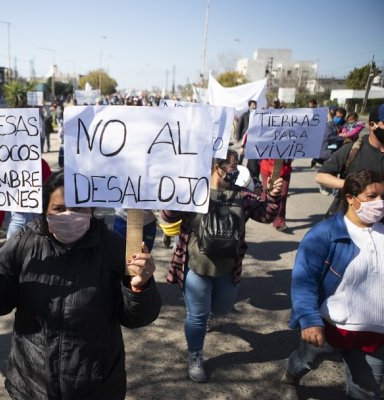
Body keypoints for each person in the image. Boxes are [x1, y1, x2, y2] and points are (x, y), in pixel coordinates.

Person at [0, 171, 161, 399]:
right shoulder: (22, 244)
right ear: (45, 210)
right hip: (31, 386)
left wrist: (138, 287)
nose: (69, 214)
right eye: (59, 208)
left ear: (92, 210)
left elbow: (136, 318)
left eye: (78, 208)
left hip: (96, 387)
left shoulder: (114, 249)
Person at [161, 149, 283, 383]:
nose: (235, 171)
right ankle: (195, 354)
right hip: (196, 266)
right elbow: (167, 216)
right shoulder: (195, 192)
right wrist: (178, 191)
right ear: (215, 166)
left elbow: (266, 215)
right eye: (231, 166)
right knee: (197, 315)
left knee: (222, 308)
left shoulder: (243, 196)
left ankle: (206, 317)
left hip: (228, 268)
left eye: (236, 166)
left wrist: (272, 196)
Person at [280, 169, 384, 400]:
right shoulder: (325, 234)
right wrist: (308, 320)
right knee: (307, 361)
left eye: (383, 197)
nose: (380, 203)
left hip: (376, 335)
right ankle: (291, 374)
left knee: (368, 393)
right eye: (372, 196)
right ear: (350, 197)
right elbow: (304, 278)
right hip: (330, 329)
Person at [316, 104, 384, 216]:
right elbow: (321, 176)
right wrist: (351, 185)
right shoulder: (353, 149)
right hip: (348, 219)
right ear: (372, 125)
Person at [0, 158, 52, 239]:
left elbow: (50, 188)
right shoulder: (8, 164)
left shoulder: (40, 162)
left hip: (35, 217)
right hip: (22, 217)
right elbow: (3, 195)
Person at [260, 158, 293, 231]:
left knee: (283, 195)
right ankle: (265, 214)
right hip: (267, 168)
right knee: (267, 193)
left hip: (284, 170)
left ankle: (279, 221)